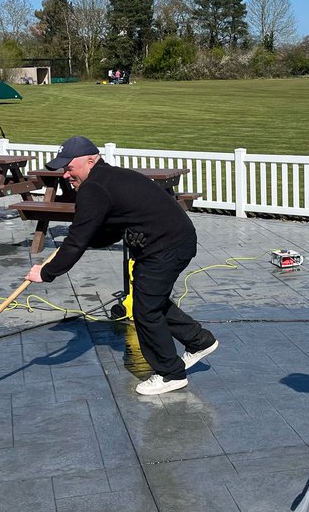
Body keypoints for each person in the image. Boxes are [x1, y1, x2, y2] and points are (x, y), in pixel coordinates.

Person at [25, 136, 218, 395]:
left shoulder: (94, 188)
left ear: (91, 160)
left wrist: (47, 272)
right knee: (150, 300)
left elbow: (76, 240)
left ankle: (170, 373)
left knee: (145, 310)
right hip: (169, 241)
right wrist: (82, 243)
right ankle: (199, 342)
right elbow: (108, 231)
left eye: (69, 168)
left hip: (166, 247)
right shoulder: (108, 178)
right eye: (63, 169)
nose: (65, 175)